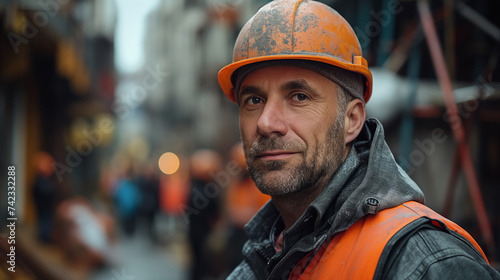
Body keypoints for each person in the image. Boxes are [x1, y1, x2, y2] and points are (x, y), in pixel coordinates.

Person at [216, 0, 500, 279]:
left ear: (351, 121)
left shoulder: (429, 265)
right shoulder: (261, 259)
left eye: (299, 97)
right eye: (253, 100)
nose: (266, 123)